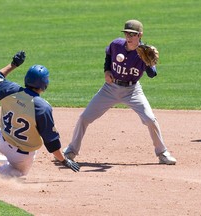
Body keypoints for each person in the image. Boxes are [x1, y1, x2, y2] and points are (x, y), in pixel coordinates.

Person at [63, 19, 177, 165]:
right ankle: (71, 151)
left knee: (150, 119)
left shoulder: (144, 52)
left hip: (132, 91)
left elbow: (152, 74)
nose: (128, 37)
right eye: (126, 33)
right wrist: (107, 71)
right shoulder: (116, 44)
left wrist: (148, 62)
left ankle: (162, 153)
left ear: (140, 35)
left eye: (132, 34)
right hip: (110, 89)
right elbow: (108, 55)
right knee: (84, 117)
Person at [0, 51, 80, 177]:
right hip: (22, 156)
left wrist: (14, 64)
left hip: (3, 141)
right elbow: (52, 143)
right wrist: (64, 160)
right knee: (18, 172)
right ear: (44, 84)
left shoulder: (9, 89)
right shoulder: (42, 107)